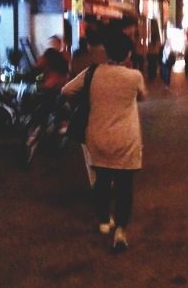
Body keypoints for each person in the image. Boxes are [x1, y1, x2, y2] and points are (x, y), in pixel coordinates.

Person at [62, 30, 146, 252]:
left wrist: (90, 98)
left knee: (102, 179)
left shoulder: (92, 72)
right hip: (126, 139)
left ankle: (103, 221)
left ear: (107, 51)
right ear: (128, 54)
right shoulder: (134, 76)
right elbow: (142, 96)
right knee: (124, 185)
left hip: (97, 136)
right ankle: (120, 230)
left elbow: (66, 90)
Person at [69, 24, 108, 188]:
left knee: (89, 151)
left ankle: (95, 184)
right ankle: (108, 181)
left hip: (85, 109)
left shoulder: (79, 59)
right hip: (107, 109)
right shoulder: (109, 58)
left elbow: (70, 88)